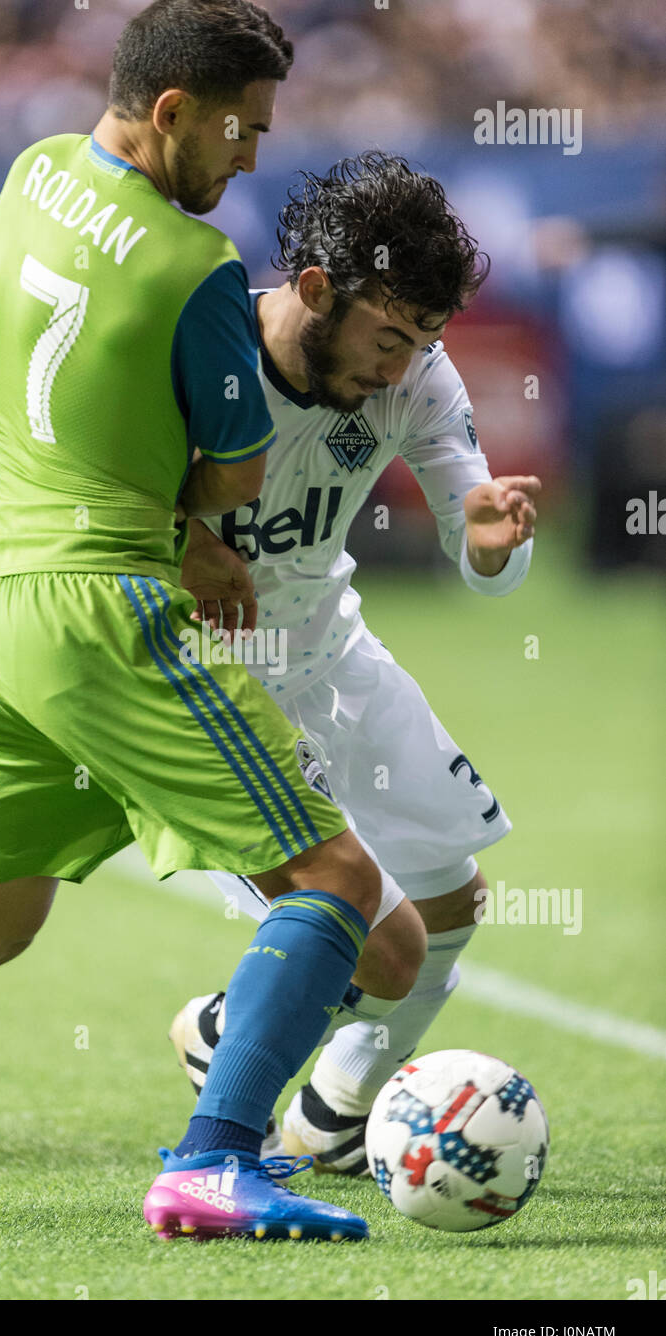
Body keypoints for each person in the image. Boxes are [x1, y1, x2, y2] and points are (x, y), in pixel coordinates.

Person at [0, 4, 425, 1244]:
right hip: (102, 608)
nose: (251, 157)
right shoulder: (193, 267)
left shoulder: (31, 172)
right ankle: (213, 1159)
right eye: (241, 129)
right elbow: (237, 475)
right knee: (339, 878)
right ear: (175, 110)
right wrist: (190, 522)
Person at [160, 152, 540, 1173]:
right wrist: (183, 537)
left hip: (330, 653)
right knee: (365, 920)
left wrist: (493, 544)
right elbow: (17, 436)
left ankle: (330, 1108)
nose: (401, 364)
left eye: (424, 339)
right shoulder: (198, 337)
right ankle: (240, 1050)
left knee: (452, 905)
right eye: (388, 335)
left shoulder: (415, 371)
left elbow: (478, 528)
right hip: (205, 677)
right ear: (317, 290)